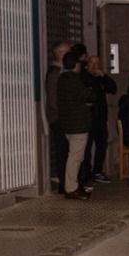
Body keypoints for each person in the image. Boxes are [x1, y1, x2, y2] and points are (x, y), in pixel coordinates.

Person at [56, 50, 94, 200]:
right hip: (77, 124)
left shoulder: (62, 79)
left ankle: (71, 185)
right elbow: (87, 95)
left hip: (68, 123)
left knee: (73, 156)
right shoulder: (73, 79)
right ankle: (71, 188)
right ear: (76, 64)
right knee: (75, 157)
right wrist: (90, 93)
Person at [82, 55, 118, 184]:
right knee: (87, 146)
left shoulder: (100, 79)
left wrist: (103, 76)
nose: (94, 66)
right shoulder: (83, 77)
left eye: (97, 64)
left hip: (101, 118)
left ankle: (97, 170)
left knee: (102, 144)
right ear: (87, 65)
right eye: (92, 63)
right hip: (88, 118)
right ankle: (87, 173)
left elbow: (113, 88)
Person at [45, 41, 70, 194]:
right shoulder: (55, 72)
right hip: (59, 118)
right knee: (62, 152)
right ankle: (63, 183)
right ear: (60, 54)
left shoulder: (62, 71)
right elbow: (53, 99)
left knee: (66, 151)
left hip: (62, 117)